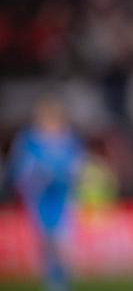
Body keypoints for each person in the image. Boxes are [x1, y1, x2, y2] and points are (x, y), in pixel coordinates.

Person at [6, 96, 84, 291]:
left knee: (61, 244)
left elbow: (78, 166)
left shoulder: (68, 139)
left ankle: (62, 282)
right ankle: (52, 283)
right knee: (45, 243)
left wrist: (66, 175)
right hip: (39, 199)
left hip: (62, 199)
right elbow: (19, 170)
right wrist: (39, 176)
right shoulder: (29, 140)